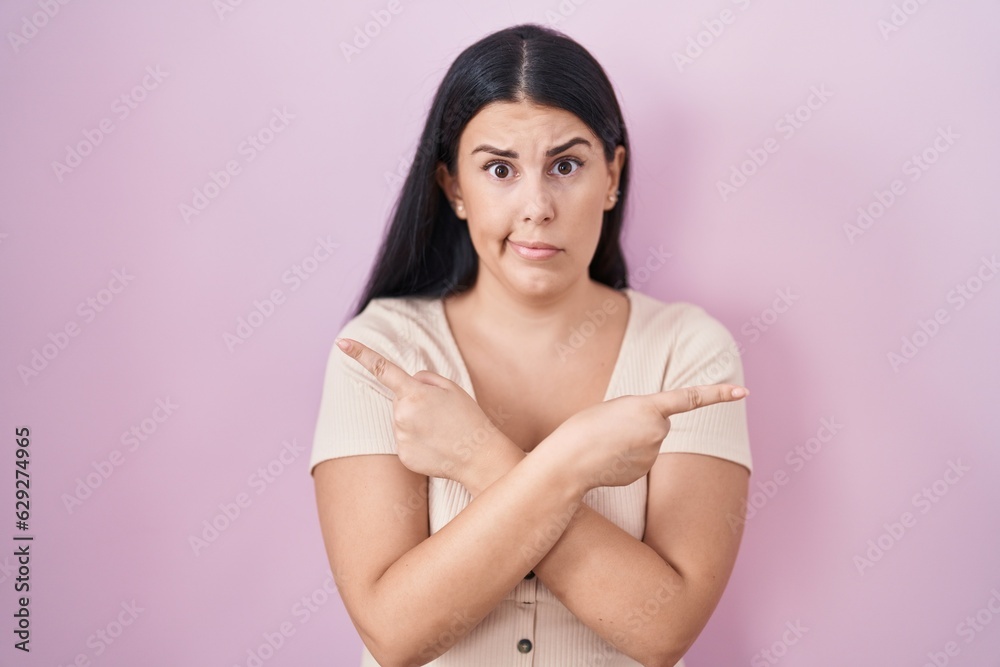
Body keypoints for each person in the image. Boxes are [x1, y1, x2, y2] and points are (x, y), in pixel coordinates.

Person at [309, 23, 753, 667]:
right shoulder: (381, 350)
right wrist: (571, 462)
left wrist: (481, 455)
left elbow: (663, 630)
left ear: (612, 174)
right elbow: (393, 632)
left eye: (566, 165)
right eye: (499, 169)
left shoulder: (688, 350)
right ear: (454, 187)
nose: (537, 206)